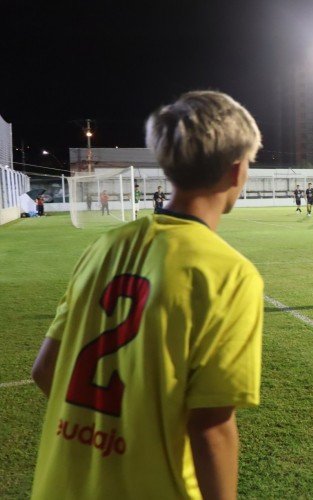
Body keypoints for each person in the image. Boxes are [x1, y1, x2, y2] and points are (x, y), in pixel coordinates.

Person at [30, 90, 264, 500]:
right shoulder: (228, 272)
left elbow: (44, 370)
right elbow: (211, 428)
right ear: (235, 171)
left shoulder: (103, 247)